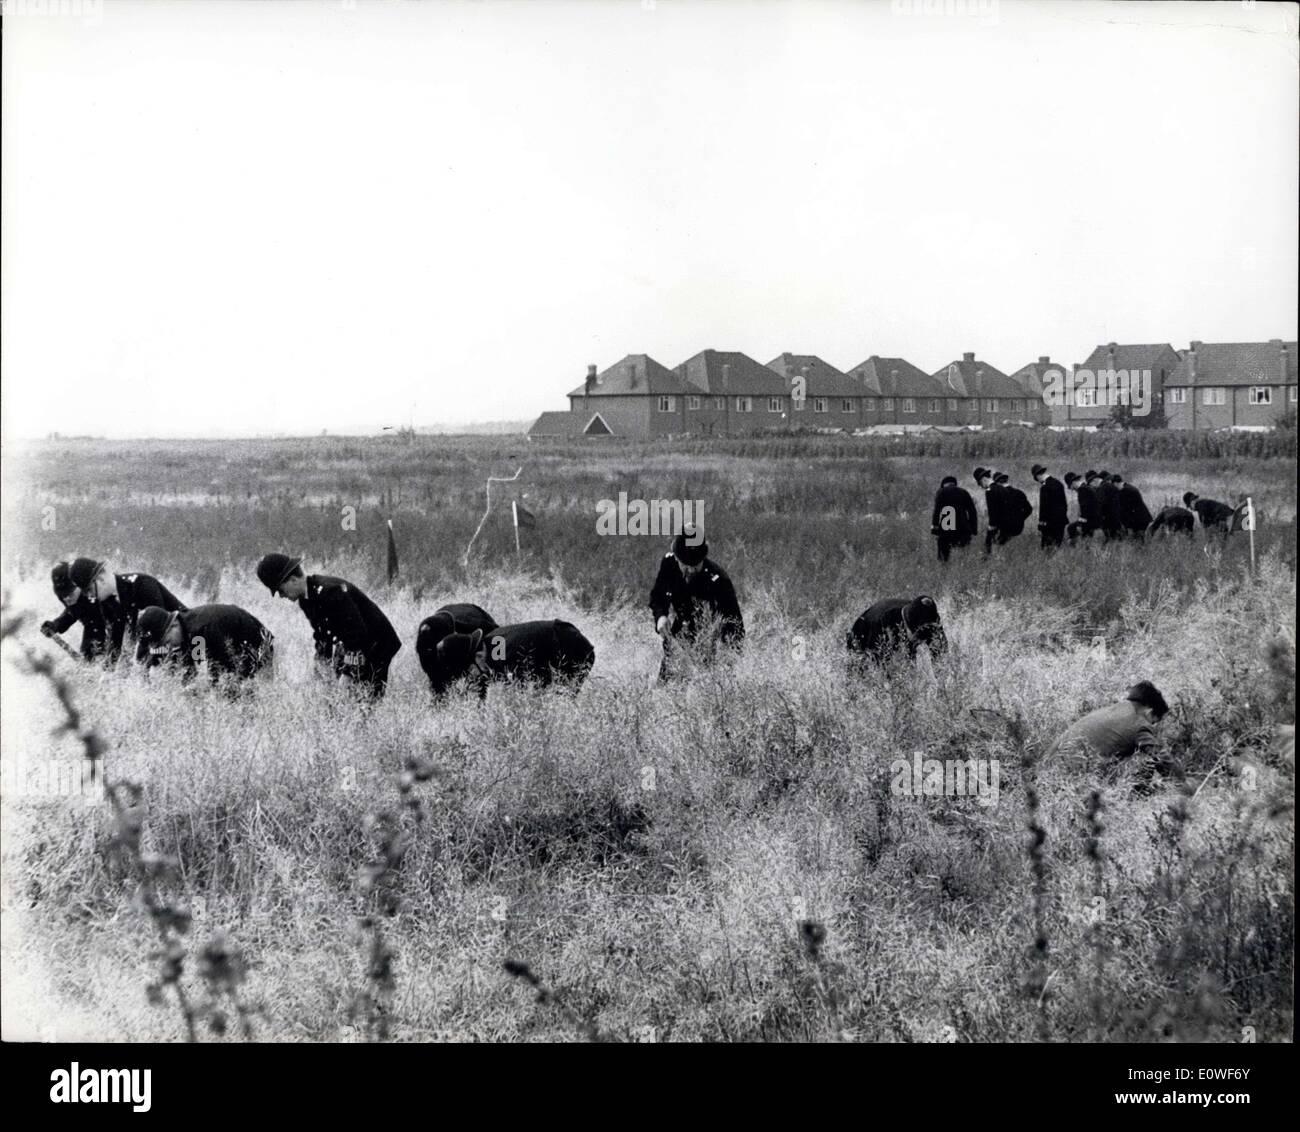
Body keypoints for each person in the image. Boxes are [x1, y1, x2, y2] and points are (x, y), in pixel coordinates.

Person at [256, 553, 402, 698]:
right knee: (335, 694)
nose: (281, 596)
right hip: (353, 643)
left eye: (281, 590)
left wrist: (347, 674)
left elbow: (357, 636)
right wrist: (320, 671)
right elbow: (322, 636)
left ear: (293, 580)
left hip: (377, 644)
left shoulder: (330, 592)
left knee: (364, 700)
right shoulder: (306, 600)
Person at [648, 528, 743, 682]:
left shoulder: (719, 580)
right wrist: (661, 616)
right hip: (678, 640)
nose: (691, 570)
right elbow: (657, 596)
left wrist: (726, 665)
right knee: (665, 693)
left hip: (708, 644)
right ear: (677, 558)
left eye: (696, 565)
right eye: (685, 564)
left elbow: (735, 625)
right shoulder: (669, 563)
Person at [60, 557, 187, 661]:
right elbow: (115, 643)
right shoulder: (106, 602)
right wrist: (108, 672)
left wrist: (139, 665)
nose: (89, 596)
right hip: (167, 645)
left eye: (88, 590)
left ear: (100, 579)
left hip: (190, 639)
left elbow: (163, 636)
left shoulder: (142, 586)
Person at [1046, 681, 1174, 784]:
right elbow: (1161, 759)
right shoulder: (1139, 723)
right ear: (1150, 712)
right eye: (1153, 722)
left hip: (1046, 770)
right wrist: (1183, 782)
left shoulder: (1116, 708)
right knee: (1147, 763)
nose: (1151, 726)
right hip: (1068, 780)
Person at [136, 604, 274, 686]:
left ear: (173, 625)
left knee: (228, 689)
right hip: (236, 644)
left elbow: (221, 671)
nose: (169, 648)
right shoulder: (186, 627)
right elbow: (194, 666)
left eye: (167, 642)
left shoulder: (200, 630)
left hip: (258, 647)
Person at [416, 603, 498, 695]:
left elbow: (499, 640)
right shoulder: (427, 637)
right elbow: (433, 672)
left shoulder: (475, 623)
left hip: (477, 622)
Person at [846, 596, 946, 664]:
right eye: (917, 637)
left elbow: (941, 656)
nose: (919, 642)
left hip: (900, 630)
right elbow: (881, 670)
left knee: (909, 661)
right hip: (862, 633)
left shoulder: (931, 620)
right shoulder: (882, 625)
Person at [42, 562, 109, 661]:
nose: (67, 598)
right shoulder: (64, 593)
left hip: (112, 614)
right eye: (64, 595)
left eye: (70, 592)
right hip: (93, 620)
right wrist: (55, 625)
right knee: (89, 655)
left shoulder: (96, 587)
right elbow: (73, 612)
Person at [930, 475, 978, 562]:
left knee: (943, 558)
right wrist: (973, 529)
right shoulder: (964, 492)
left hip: (947, 528)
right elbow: (972, 512)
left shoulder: (941, 492)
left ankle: (944, 572)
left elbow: (937, 511)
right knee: (964, 555)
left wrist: (935, 529)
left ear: (944, 484)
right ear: (954, 484)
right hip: (963, 528)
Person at [1032, 464, 1068, 549]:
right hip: (1061, 522)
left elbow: (1043, 508)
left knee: (1046, 549)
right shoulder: (1059, 484)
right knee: (1057, 547)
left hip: (1049, 524)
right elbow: (1064, 504)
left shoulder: (1045, 488)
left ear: (1038, 476)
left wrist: (1041, 523)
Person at [993, 472, 1033, 546]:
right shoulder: (1019, 493)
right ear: (1006, 481)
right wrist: (1020, 518)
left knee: (997, 546)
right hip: (1018, 529)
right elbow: (1029, 509)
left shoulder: (998, 495)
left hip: (1004, 530)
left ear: (998, 483)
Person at [1113, 473, 1153, 540]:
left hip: (1140, 519)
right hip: (1140, 518)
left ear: (1116, 483)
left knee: (1138, 539)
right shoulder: (1128, 487)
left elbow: (1125, 508)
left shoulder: (1127, 490)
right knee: (1137, 539)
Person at [1065, 472, 1101, 541]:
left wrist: (1080, 523)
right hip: (1095, 518)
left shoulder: (1082, 490)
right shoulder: (1087, 487)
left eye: (1071, 487)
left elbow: (1085, 509)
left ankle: (1074, 546)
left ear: (1073, 482)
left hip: (1091, 520)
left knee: (1071, 528)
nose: (1072, 489)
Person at [1095, 470, 1123, 540]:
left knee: (1109, 537)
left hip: (1106, 518)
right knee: (1116, 537)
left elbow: (1101, 503)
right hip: (1115, 516)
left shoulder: (1100, 488)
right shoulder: (1113, 487)